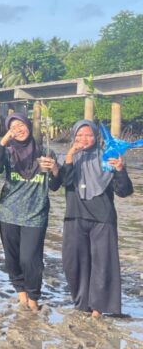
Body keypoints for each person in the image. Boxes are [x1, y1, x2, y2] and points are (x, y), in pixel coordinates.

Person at [61, 120, 133, 317]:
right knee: (73, 262)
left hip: (102, 218)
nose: (85, 139)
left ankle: (98, 308)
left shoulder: (107, 157)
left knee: (102, 264)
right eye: (80, 135)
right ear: (74, 136)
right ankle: (81, 303)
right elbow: (64, 182)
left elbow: (124, 191)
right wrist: (69, 156)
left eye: (89, 134)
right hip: (75, 216)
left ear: (96, 136)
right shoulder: (70, 158)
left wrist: (119, 169)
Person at [0, 113, 61, 312]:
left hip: (36, 214)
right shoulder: (8, 151)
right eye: (13, 127)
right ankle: (22, 295)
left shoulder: (46, 152)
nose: (18, 129)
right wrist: (3, 144)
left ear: (29, 126)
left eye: (21, 125)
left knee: (30, 258)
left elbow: (55, 186)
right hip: (8, 213)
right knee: (12, 257)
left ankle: (33, 297)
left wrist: (55, 168)